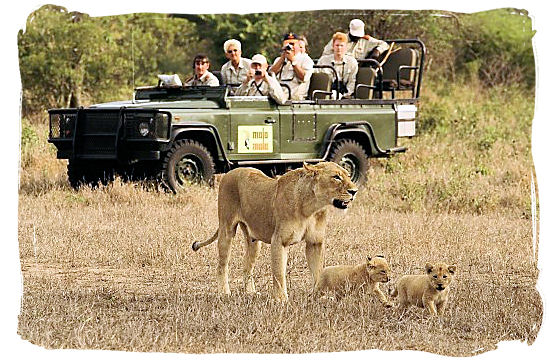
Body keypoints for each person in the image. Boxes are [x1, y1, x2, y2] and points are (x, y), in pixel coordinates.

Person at [270, 33, 314, 100]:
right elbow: (270, 74)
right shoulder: (279, 60)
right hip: (277, 96)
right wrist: (282, 58)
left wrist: (293, 61)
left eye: (292, 44)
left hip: (294, 99)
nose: (290, 47)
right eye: (287, 45)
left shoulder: (306, 60)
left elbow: (304, 78)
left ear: (299, 45)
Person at [322, 19, 389, 61]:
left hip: (357, 72)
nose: (357, 37)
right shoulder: (340, 39)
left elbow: (384, 44)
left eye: (358, 36)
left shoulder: (366, 41)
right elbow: (325, 54)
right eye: (355, 35)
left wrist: (378, 50)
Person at [317, 32, 358, 99]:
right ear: (333, 46)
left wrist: (344, 96)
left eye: (341, 45)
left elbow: (352, 82)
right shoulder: (323, 61)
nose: (339, 48)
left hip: (345, 96)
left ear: (346, 47)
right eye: (337, 45)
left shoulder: (352, 62)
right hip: (326, 95)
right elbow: (319, 81)